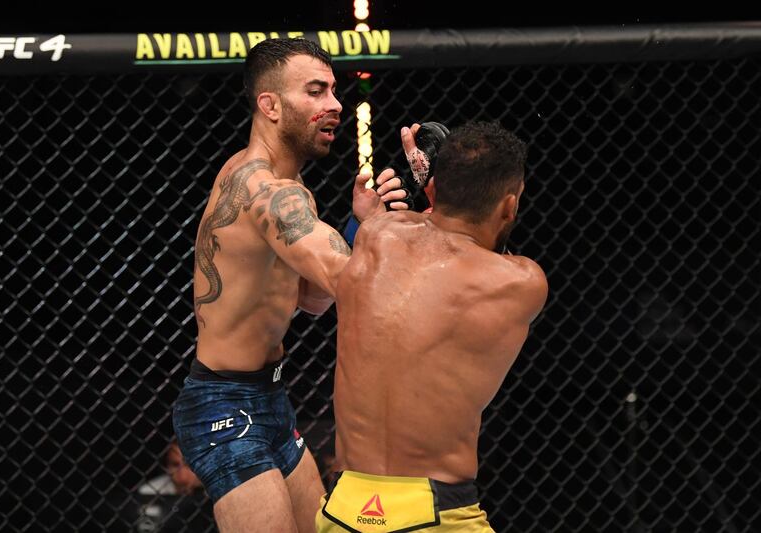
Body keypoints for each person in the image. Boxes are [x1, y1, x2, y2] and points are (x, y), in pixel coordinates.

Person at [172, 37, 408, 533]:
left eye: (334, 91)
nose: (335, 105)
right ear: (270, 105)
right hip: (224, 407)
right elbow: (355, 285)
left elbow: (313, 299)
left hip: (272, 399)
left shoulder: (293, 191)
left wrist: (358, 229)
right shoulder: (263, 190)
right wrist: (433, 227)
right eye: (316, 91)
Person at [317, 121, 548, 532]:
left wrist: (429, 192)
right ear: (510, 206)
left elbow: (414, 231)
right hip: (436, 514)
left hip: (342, 506)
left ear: (436, 190)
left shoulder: (376, 235)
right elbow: (485, 253)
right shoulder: (523, 282)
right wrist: (434, 190)